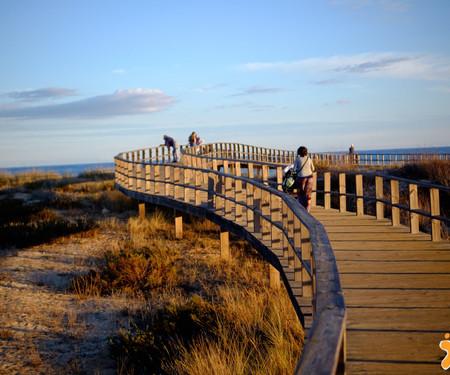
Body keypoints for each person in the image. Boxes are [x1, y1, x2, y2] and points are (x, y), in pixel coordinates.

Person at [293, 146, 315, 212]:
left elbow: (294, 169)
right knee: (308, 192)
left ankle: (301, 207)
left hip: (301, 177)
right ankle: (308, 207)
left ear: (299, 152)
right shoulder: (309, 159)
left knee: (300, 193)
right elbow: (313, 169)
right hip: (309, 177)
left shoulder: (297, 159)